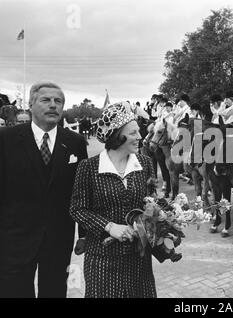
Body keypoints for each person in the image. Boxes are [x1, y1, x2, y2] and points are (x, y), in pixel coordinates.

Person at [0, 82, 88, 297]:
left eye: (58, 101)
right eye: (46, 100)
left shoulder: (75, 142)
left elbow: (83, 191)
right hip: (15, 237)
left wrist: (85, 234)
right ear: (30, 104)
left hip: (59, 236)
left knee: (55, 290)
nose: (53, 106)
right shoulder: (6, 139)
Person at [70, 102, 157, 298]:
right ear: (118, 135)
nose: (140, 137)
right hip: (102, 259)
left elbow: (152, 202)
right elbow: (77, 209)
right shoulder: (89, 167)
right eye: (134, 132)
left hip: (138, 259)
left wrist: (158, 221)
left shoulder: (145, 163)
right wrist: (109, 227)